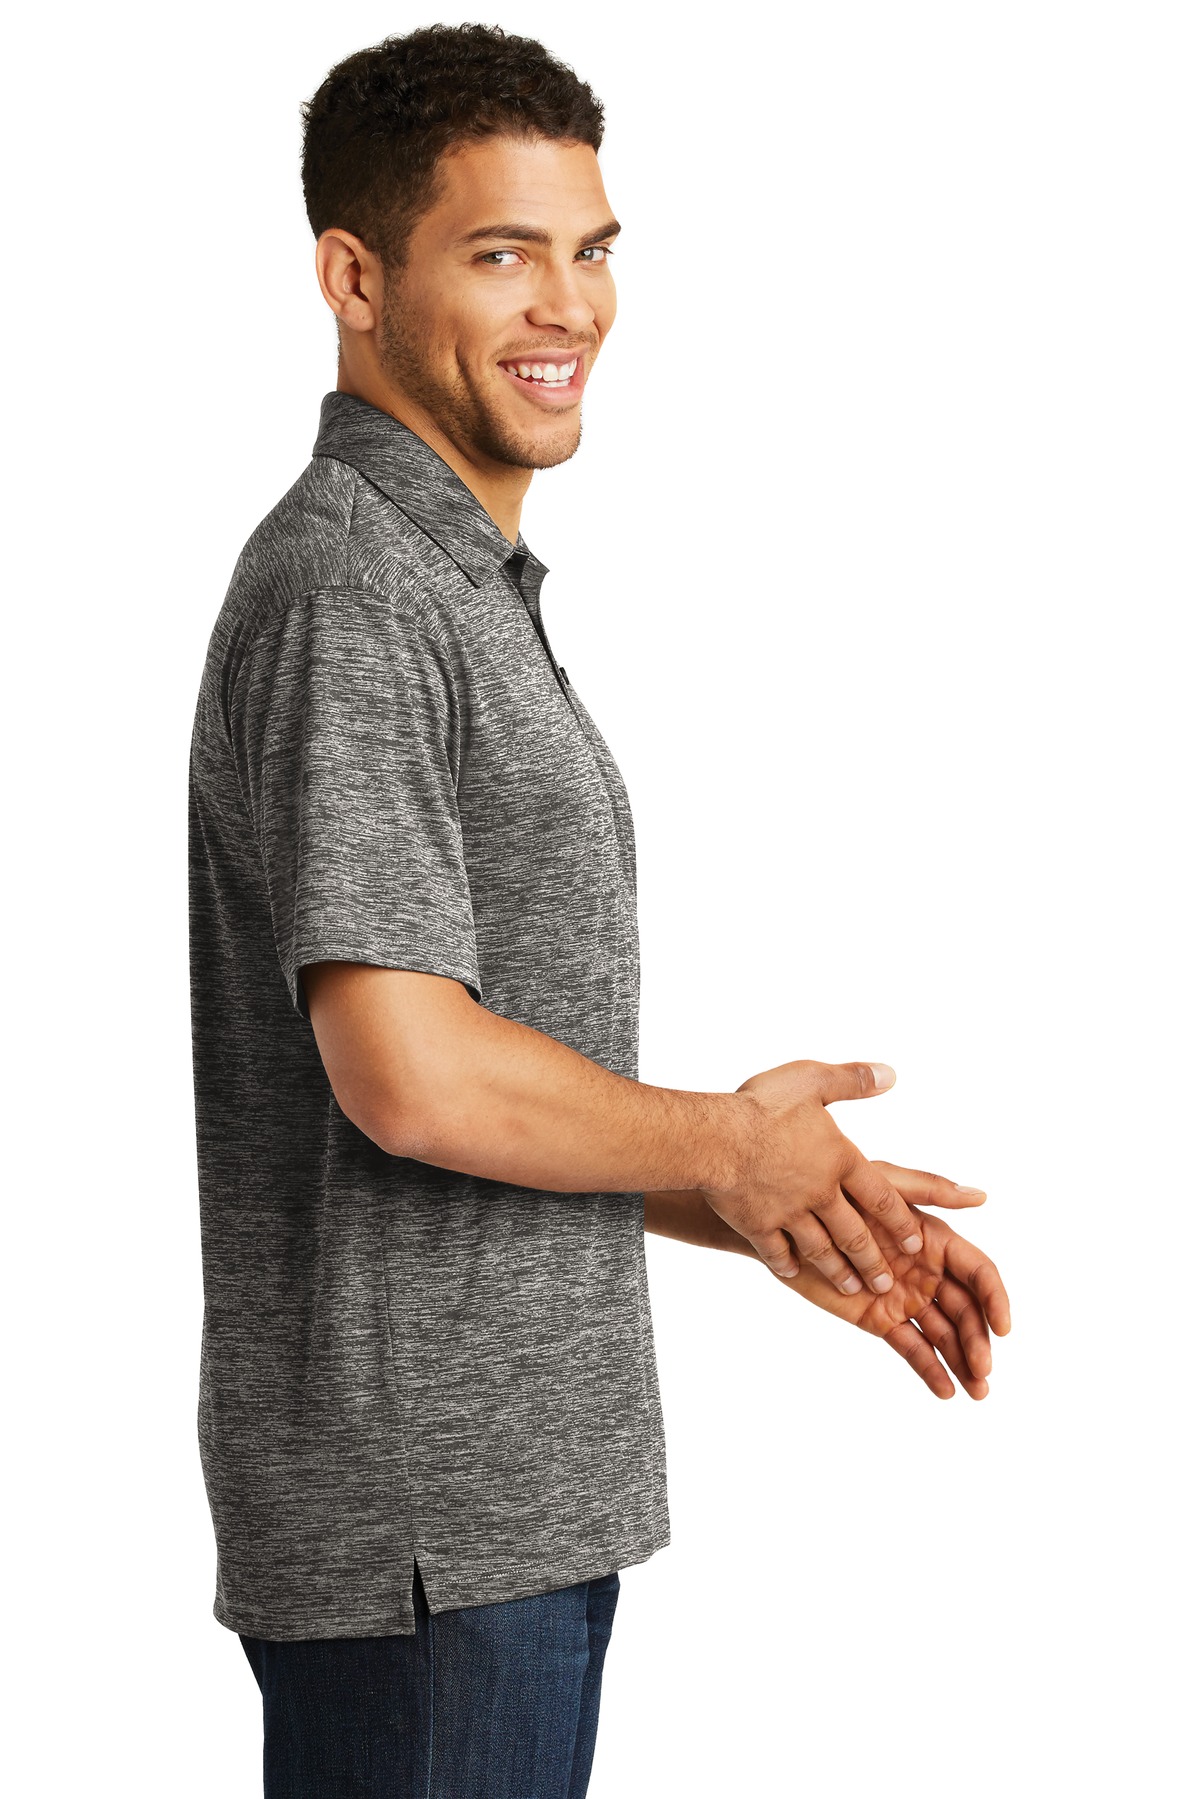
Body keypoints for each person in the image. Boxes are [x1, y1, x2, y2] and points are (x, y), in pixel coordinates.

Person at [187, 23, 1011, 1798]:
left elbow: (489, 1089)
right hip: (430, 1532)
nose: (569, 305)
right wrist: (723, 1142)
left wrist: (781, 1199)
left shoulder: (451, 586)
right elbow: (410, 1075)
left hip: (494, 1513)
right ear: (353, 279)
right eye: (503, 254)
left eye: (593, 249)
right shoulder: (355, 593)